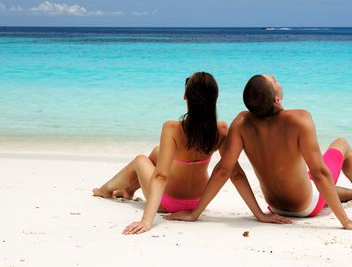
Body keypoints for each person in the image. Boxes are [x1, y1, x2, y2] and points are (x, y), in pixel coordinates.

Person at [164, 74, 352, 231]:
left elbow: (223, 170)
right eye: (274, 81)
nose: (276, 78)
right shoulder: (300, 119)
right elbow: (320, 174)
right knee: (341, 144)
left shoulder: (241, 122)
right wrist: (347, 222)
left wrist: (195, 214)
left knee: (310, 179)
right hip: (306, 207)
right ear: (277, 99)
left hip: (273, 206)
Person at [93, 72, 290, 235]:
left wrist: (146, 220)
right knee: (157, 152)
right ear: (215, 99)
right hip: (197, 200)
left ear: (185, 97)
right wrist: (259, 215)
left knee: (140, 160)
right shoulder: (220, 130)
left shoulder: (172, 128)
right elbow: (235, 173)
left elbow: (161, 175)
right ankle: (127, 190)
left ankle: (105, 189)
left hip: (168, 203)